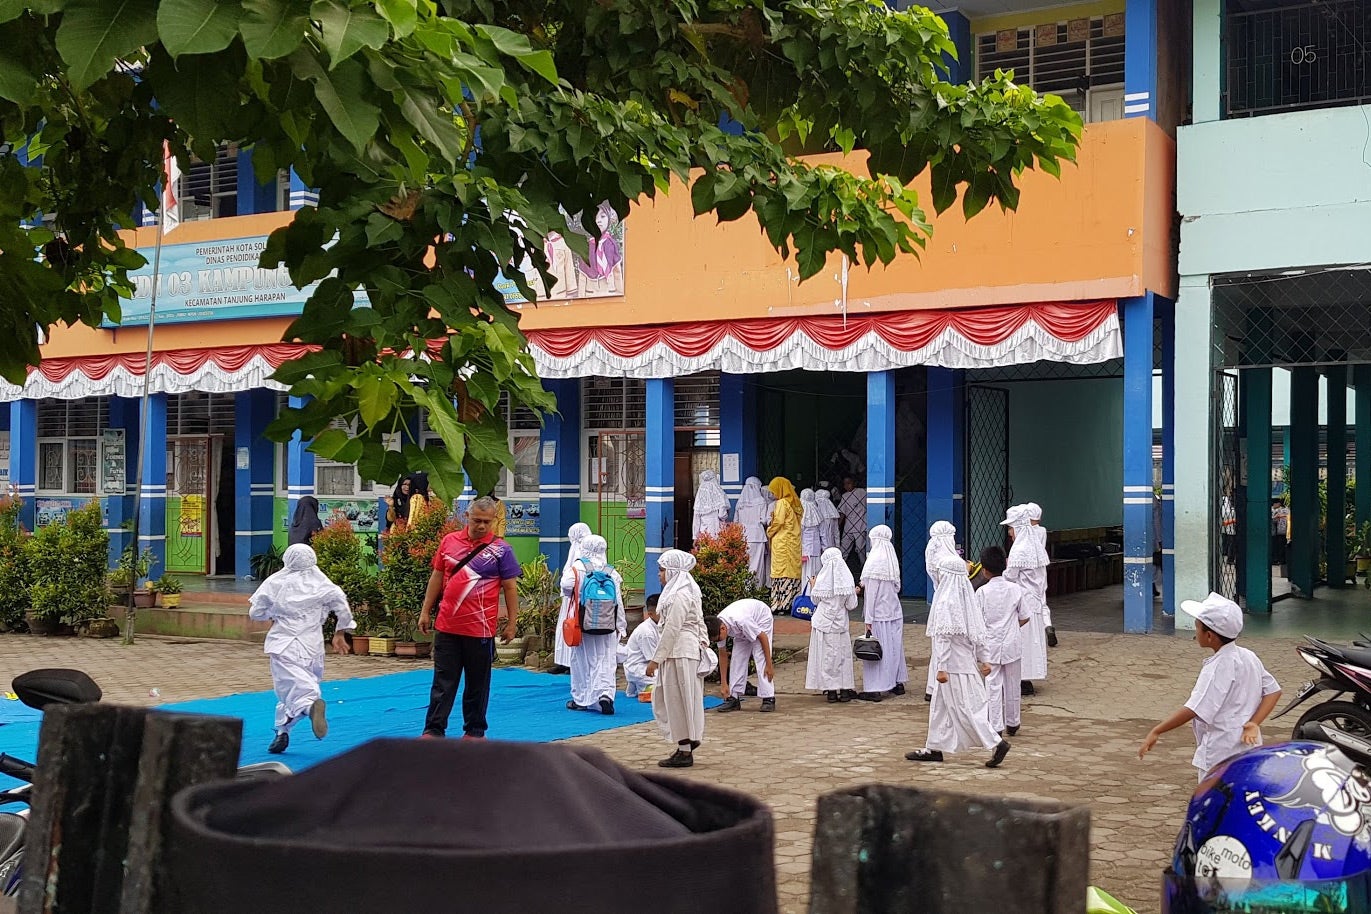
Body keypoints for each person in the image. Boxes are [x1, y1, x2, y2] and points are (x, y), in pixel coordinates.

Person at [1139, 592, 1282, 781]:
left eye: (1197, 626)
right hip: (1249, 749)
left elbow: (1193, 708)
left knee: (1214, 804)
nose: (1194, 630)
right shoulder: (1249, 656)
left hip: (1221, 752)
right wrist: (1254, 723)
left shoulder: (1216, 667)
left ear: (1209, 636)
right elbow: (1273, 691)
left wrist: (1157, 730)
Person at [907, 521, 1011, 768]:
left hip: (951, 668)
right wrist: (984, 659)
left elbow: (943, 638)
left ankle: (996, 743)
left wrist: (941, 668)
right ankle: (934, 747)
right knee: (940, 708)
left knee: (965, 709)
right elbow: (978, 633)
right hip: (964, 665)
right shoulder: (968, 600)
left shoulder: (945, 604)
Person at [418, 496, 522, 739]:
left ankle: (474, 731)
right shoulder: (449, 542)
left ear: (495, 520)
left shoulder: (501, 550)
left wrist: (512, 623)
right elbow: (436, 576)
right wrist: (425, 611)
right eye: (477, 520)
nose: (482, 526)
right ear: (467, 517)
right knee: (443, 682)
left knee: (477, 685)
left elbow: (510, 588)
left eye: (487, 521)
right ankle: (433, 730)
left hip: (481, 631)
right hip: (447, 626)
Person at [248, 544, 354, 754]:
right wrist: (340, 633)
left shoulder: (275, 582)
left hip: (284, 643)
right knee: (300, 686)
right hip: (312, 645)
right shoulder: (323, 583)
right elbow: (343, 608)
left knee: (291, 688)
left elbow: (255, 612)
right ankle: (282, 730)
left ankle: (308, 708)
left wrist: (273, 613)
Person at [646, 550, 709, 768]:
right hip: (681, 651)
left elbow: (672, 629)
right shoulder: (683, 591)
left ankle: (685, 749)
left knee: (678, 701)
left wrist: (656, 660)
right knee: (682, 700)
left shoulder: (679, 595)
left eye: (662, 570)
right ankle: (686, 744)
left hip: (679, 652)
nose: (659, 575)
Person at [563, 534, 626, 715]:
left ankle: (582, 699)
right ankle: (605, 695)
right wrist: (620, 625)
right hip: (607, 624)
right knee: (605, 660)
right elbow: (618, 601)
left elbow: (566, 586)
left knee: (582, 661)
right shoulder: (610, 571)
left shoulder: (579, 567)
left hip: (584, 623)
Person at [974, 545, 1029, 736]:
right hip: (1012, 642)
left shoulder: (981, 593)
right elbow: (1025, 616)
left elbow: (977, 621)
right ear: (1006, 564)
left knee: (993, 685)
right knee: (1013, 683)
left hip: (990, 645)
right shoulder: (1015, 589)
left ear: (984, 570)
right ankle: (1013, 722)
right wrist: (1012, 627)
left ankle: (996, 724)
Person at [857, 524, 907, 701]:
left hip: (878, 614)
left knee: (878, 650)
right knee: (895, 648)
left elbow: (871, 595)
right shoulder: (890, 559)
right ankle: (897, 682)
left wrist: (868, 618)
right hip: (894, 611)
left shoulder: (874, 562)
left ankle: (875, 688)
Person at [1004, 505, 1048, 695]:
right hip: (1035, 601)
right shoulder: (1035, 546)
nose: (1009, 533)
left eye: (1011, 528)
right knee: (1031, 641)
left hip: (1022, 603)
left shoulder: (1019, 549)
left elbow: (1010, 576)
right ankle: (1026, 677)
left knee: (1020, 641)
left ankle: (1019, 679)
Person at [806, 547, 858, 703]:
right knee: (842, 656)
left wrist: (813, 585)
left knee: (827, 657)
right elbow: (852, 605)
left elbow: (814, 601)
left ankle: (831, 691)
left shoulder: (822, 579)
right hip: (840, 624)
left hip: (823, 624)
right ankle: (844, 690)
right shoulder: (847, 580)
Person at [712, 597, 776, 713]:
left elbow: (763, 637)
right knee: (737, 659)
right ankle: (733, 698)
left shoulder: (741, 620)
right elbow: (722, 655)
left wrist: (769, 664)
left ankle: (768, 697)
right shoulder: (717, 627)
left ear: (722, 629)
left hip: (760, 618)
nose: (720, 641)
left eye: (719, 638)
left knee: (760, 656)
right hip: (741, 629)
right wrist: (724, 684)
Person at [552, 522, 592, 672]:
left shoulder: (589, 551)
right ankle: (563, 661)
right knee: (567, 626)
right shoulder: (574, 549)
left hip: (581, 599)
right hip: (570, 599)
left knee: (575, 628)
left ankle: (573, 664)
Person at [766, 477, 803, 616]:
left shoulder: (782, 503)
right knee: (791, 572)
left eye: (774, 490)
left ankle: (780, 604)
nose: (773, 494)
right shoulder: (794, 503)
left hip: (783, 543)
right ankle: (790, 603)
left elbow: (779, 521)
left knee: (781, 572)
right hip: (793, 542)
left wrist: (769, 531)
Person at [1024, 502, 1056, 645]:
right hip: (1041, 568)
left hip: (1027, 568)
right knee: (1041, 599)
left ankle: (1030, 630)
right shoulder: (1042, 530)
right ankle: (1047, 625)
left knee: (1027, 599)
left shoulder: (1025, 531)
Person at [621, 594, 661, 700]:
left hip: (644, 666)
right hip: (640, 668)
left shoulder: (659, 625)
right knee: (668, 682)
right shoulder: (647, 632)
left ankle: (637, 685)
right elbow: (654, 660)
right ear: (651, 614)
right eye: (662, 612)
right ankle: (645, 687)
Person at [733, 476, 771, 586]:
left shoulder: (740, 503)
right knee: (757, 564)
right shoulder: (761, 502)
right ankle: (756, 588)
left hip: (743, 536)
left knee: (745, 564)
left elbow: (736, 521)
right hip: (757, 536)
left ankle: (745, 587)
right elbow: (764, 520)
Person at [838, 476, 868, 570]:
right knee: (844, 548)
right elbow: (842, 512)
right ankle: (839, 567)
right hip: (849, 526)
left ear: (854, 483)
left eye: (849, 483)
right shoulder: (845, 496)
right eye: (845, 484)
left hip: (860, 525)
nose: (846, 486)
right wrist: (838, 526)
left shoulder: (862, 492)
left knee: (860, 549)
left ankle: (864, 567)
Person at [692, 469, 730, 540]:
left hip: (704, 532)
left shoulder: (699, 497)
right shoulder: (719, 494)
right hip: (717, 531)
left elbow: (696, 520)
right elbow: (722, 515)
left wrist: (695, 537)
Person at [799, 487, 823, 583]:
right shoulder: (817, 512)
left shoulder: (800, 512)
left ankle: (805, 594)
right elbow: (822, 533)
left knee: (804, 573)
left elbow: (799, 533)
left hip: (803, 549)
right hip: (816, 549)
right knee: (815, 572)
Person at [814, 488, 841, 554]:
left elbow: (822, 535)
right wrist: (837, 546)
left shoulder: (818, 517)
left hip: (821, 549)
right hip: (832, 547)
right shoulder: (833, 515)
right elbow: (836, 533)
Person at [1271, 498, 1289, 566]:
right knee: (1280, 546)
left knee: (1280, 546)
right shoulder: (1285, 510)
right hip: (1282, 531)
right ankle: (1281, 559)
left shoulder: (1278, 510)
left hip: (1279, 531)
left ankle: (1280, 559)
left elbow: (1274, 520)